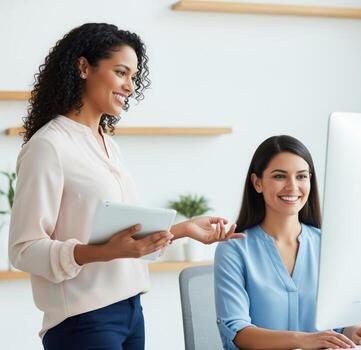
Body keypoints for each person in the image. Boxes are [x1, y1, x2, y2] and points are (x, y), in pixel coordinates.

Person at [8, 23, 243, 350]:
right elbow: (24, 250)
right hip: (83, 321)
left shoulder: (107, 144)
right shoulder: (49, 146)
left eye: (134, 76)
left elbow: (122, 237)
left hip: (130, 309)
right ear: (83, 67)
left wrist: (185, 229)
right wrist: (101, 254)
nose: (130, 86)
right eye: (121, 72)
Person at [214, 135, 361, 349]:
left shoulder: (328, 245)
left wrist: (353, 331)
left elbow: (339, 318)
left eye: (301, 176)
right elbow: (238, 332)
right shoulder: (233, 249)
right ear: (257, 182)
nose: (292, 186)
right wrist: (303, 340)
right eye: (280, 176)